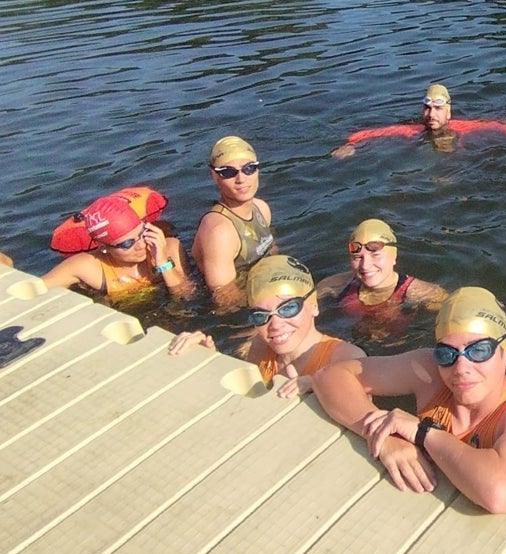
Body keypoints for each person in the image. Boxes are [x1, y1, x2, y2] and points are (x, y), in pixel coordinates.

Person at [312, 286, 506, 514]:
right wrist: (385, 438)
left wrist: (423, 433)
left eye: (479, 350)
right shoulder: (429, 371)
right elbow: (330, 375)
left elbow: (500, 493)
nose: (461, 367)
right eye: (446, 353)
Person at [168, 255, 364, 399]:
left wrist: (323, 386)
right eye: (261, 315)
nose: (276, 325)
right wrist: (208, 359)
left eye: (288, 308)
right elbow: (248, 395)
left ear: (313, 306)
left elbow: (365, 420)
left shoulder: (347, 358)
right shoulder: (261, 345)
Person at [40, 192, 192, 301]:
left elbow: (185, 295)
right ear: (103, 247)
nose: (140, 245)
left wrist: (163, 262)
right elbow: (33, 291)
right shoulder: (87, 266)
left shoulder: (169, 247)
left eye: (143, 234)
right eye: (127, 244)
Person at [315, 218, 449, 341]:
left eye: (376, 255)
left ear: (393, 257)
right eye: (358, 258)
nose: (365, 266)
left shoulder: (418, 291)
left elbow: (456, 318)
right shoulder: (335, 285)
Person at [191, 135, 275, 312]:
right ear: (214, 175)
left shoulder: (261, 208)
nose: (241, 179)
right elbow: (225, 300)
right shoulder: (220, 232)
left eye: (249, 168)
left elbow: (271, 252)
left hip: (260, 290)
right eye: (228, 172)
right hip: (241, 310)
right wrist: (274, 309)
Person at [331, 83, 506, 157]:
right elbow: (369, 133)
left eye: (438, 109)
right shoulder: (412, 130)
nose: (431, 114)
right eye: (427, 108)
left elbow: (503, 126)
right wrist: (350, 144)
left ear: (448, 113)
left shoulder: (463, 127)